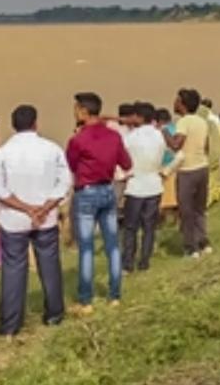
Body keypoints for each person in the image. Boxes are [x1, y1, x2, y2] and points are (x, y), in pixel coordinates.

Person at [0, 105, 70, 336]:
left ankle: (10, 324)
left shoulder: (2, 153)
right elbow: (64, 183)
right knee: (50, 266)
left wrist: (26, 209)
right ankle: (54, 315)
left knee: (14, 270)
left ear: (13, 126)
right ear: (36, 123)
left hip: (14, 220)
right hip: (45, 219)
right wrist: (43, 209)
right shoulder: (51, 149)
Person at [66, 92, 130, 312]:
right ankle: (115, 295)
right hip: (107, 188)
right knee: (112, 244)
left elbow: (72, 164)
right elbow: (126, 162)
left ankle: (86, 299)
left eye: (76, 109)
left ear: (84, 112)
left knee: (86, 248)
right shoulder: (113, 136)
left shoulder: (78, 139)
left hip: (87, 191)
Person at [164, 89, 212, 258]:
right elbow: (206, 146)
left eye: (177, 101)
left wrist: (165, 133)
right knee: (200, 208)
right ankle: (203, 242)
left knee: (186, 210)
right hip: (202, 167)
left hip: (187, 171)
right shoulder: (202, 121)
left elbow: (176, 145)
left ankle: (191, 247)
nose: (174, 104)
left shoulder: (183, 122)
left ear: (183, 104)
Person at [120, 102, 163, 273]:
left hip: (136, 185)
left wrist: (123, 176)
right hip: (154, 183)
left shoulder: (130, 137)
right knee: (149, 226)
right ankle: (145, 261)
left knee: (130, 227)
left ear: (138, 117)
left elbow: (123, 160)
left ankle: (128, 262)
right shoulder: (159, 135)